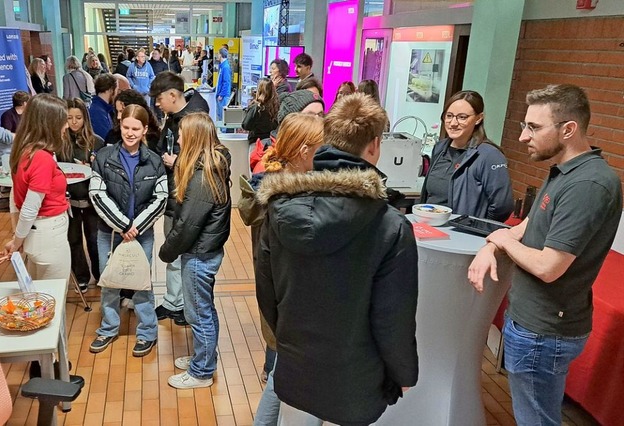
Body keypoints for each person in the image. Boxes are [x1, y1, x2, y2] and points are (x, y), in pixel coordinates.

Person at [255, 92, 419, 425]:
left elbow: (267, 294)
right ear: (373, 145)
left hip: (295, 370)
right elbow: (393, 318)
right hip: (355, 382)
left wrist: (288, 342)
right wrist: (405, 373)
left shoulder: (279, 209)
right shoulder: (391, 225)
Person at [468, 84, 622, 426]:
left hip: (544, 332)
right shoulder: (565, 172)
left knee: (536, 420)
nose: (523, 136)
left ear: (568, 129)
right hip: (532, 323)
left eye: (534, 127)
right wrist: (495, 242)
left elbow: (549, 267)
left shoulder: (588, 185)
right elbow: (525, 227)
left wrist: (500, 241)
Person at [243, 113, 324, 424]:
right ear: (304, 150)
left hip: (281, 305)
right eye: (322, 147)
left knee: (279, 377)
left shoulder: (276, 188)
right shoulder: (290, 199)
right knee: (282, 379)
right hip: (292, 308)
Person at [88, 104, 167, 357]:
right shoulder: (103, 157)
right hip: (109, 232)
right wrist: (123, 225)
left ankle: (147, 333)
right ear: (119, 125)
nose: (130, 133)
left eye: (135, 129)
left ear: (145, 130)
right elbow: (97, 194)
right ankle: (109, 328)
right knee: (109, 281)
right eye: (125, 127)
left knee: (142, 283)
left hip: (141, 233)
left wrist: (136, 227)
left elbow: (161, 198)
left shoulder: (154, 161)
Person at [159, 112, 232, 389]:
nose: (177, 138)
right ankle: (203, 357)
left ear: (193, 138)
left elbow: (187, 225)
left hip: (199, 255)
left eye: (181, 134)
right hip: (208, 251)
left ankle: (201, 371)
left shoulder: (203, 176)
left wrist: (167, 252)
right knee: (204, 310)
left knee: (198, 314)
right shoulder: (213, 164)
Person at [149, 71, 210, 326]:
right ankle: (174, 302)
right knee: (173, 253)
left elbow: (209, 160)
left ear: (173, 95)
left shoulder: (195, 119)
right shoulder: (173, 117)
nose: (156, 104)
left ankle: (185, 306)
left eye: (159, 98)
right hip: (173, 198)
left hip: (187, 199)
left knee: (186, 256)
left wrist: (178, 162)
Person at [0, 94, 71, 280]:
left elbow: (15, 200)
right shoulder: (41, 158)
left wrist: (18, 237)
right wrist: (17, 241)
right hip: (49, 236)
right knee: (53, 300)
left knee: (39, 296)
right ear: (50, 124)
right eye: (63, 121)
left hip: (36, 236)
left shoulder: (23, 151)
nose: (67, 126)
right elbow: (30, 208)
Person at [419, 90, 513, 222]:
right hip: (429, 227)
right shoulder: (439, 148)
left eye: (462, 117)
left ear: (478, 118)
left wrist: (477, 227)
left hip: (462, 236)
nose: (453, 123)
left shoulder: (489, 155)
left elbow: (502, 206)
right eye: (449, 116)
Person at [59, 98, 105, 293]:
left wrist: (92, 167)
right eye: (69, 118)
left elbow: (106, 173)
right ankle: (81, 277)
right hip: (69, 201)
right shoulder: (59, 143)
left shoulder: (98, 142)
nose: (74, 122)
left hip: (92, 201)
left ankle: (101, 276)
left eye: (78, 117)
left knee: (95, 241)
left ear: (85, 118)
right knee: (73, 240)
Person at [241, 77, 279, 143]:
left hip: (256, 141)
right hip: (271, 141)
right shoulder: (275, 106)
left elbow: (246, 125)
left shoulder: (256, 107)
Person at [88, 73, 118, 140]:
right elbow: (107, 139)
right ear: (111, 90)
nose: (117, 94)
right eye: (116, 90)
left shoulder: (104, 109)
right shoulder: (98, 112)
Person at [215, 47, 232, 125]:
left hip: (223, 96)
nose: (217, 55)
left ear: (221, 55)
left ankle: (223, 133)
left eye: (218, 54)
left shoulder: (225, 67)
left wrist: (221, 94)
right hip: (220, 94)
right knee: (219, 116)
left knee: (222, 117)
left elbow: (226, 82)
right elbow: (220, 81)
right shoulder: (222, 66)